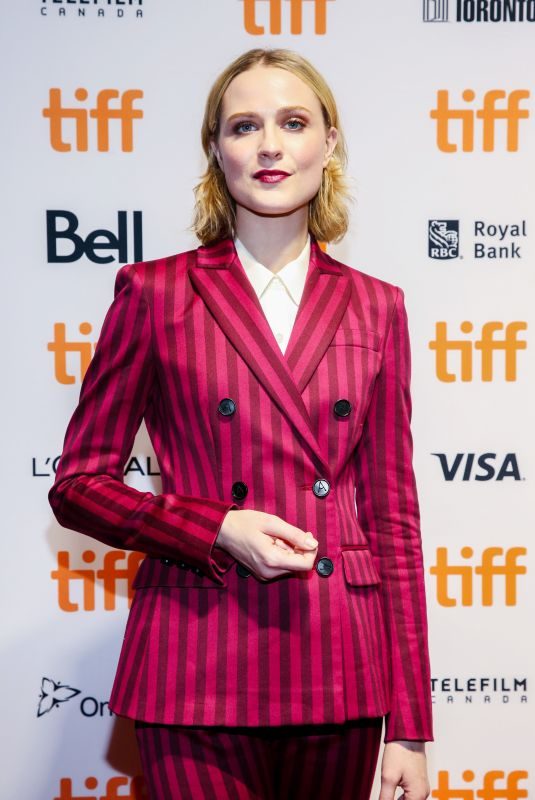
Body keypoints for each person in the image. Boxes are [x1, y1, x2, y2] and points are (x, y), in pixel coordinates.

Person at [49, 48, 433, 800]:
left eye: (292, 123)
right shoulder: (155, 292)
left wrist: (411, 724)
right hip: (196, 653)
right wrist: (212, 526)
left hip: (339, 668)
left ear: (328, 143)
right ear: (215, 151)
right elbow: (79, 485)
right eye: (243, 125)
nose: (268, 144)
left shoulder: (376, 304)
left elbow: (394, 518)